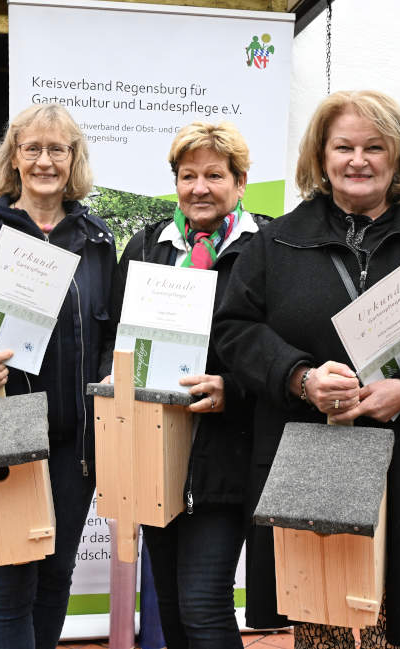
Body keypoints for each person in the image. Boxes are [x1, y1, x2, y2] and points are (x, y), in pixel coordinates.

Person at [212, 90, 400, 648]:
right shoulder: (276, 242)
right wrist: (300, 378)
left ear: (398, 157)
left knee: (397, 625)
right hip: (313, 458)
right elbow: (236, 329)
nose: (358, 160)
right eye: (343, 146)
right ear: (321, 157)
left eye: (374, 147)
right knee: (323, 620)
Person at [0, 103, 115, 649]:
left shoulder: (98, 241)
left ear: (73, 158)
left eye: (57, 149)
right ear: (13, 158)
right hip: (3, 430)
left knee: (56, 576)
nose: (44, 160)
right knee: (11, 582)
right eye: (31, 148)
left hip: (76, 441)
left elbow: (108, 334)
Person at [100, 121, 269, 649]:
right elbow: (114, 334)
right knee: (169, 607)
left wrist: (232, 388)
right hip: (156, 452)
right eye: (188, 175)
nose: (199, 188)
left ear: (240, 183)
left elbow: (283, 347)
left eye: (214, 175)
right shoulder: (149, 246)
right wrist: (117, 374)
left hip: (228, 453)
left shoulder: (268, 248)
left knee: (202, 602)